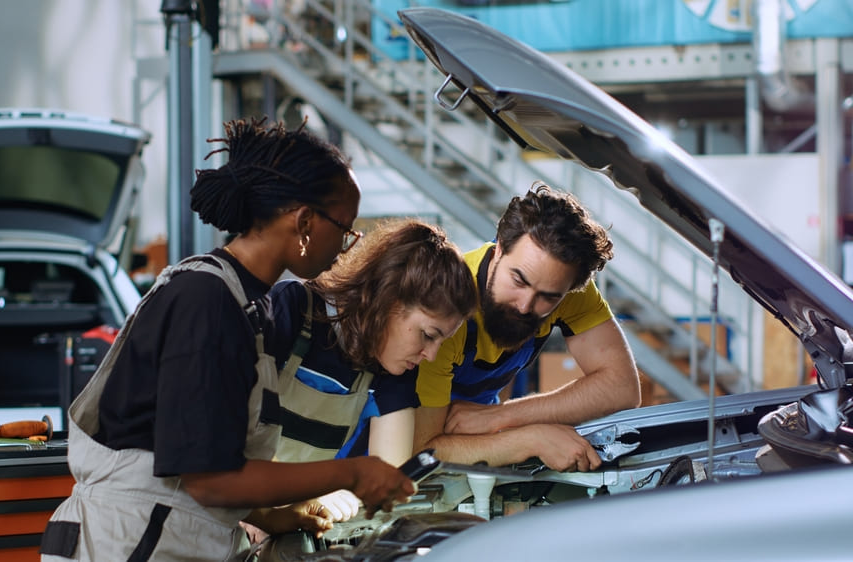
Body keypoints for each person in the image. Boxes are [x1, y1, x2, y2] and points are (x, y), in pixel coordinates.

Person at [40, 117, 414, 561]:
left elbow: (206, 452)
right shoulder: (207, 300)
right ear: (304, 222)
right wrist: (352, 473)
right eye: (345, 229)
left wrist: (274, 517)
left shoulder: (248, 304)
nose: (346, 246)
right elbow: (210, 479)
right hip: (128, 542)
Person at [414, 181, 641, 473]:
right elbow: (421, 451)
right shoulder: (446, 308)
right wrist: (531, 439)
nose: (525, 306)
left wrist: (501, 416)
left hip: (481, 438)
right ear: (499, 249)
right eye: (519, 281)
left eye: (548, 297)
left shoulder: (565, 287)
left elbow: (622, 387)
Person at [267, 218, 477, 521]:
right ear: (388, 299)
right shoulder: (292, 309)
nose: (431, 355)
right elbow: (225, 431)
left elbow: (387, 485)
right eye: (428, 335)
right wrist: (307, 490)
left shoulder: (393, 370)